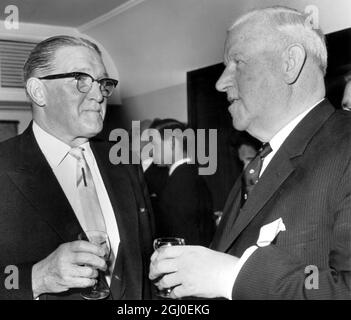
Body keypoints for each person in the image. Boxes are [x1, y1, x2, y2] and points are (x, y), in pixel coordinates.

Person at [150, 6, 351, 299]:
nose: (221, 82)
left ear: (290, 63)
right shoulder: (262, 161)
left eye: (237, 62)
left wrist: (229, 276)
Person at [0, 35, 153, 300]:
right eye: (81, 80)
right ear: (38, 91)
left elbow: (141, 263)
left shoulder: (124, 160)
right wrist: (37, 277)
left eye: (103, 83)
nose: (98, 95)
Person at [150, 119, 214, 246]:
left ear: (173, 142)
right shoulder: (191, 175)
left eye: (154, 144)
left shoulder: (181, 184)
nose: (151, 151)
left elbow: (183, 238)